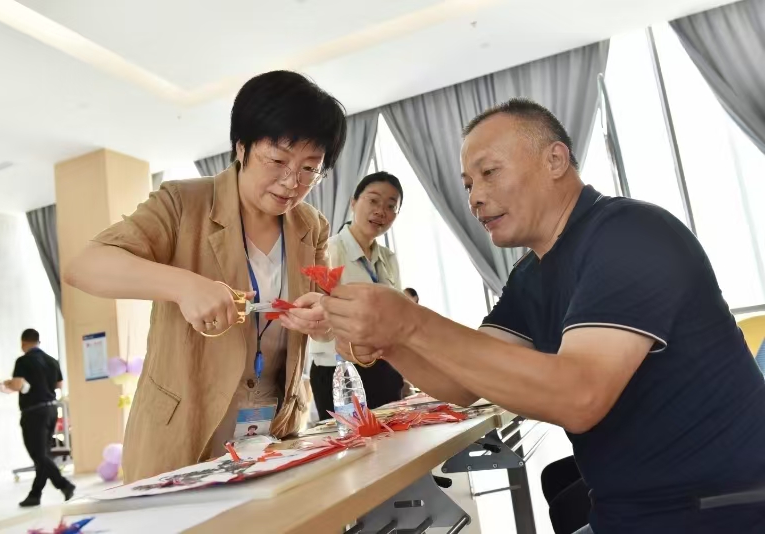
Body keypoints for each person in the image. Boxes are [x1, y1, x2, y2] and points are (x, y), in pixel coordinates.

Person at [319, 99, 765, 533]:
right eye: (468, 184)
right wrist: (389, 340)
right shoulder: (531, 274)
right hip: (629, 512)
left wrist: (411, 322)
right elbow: (462, 384)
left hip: (723, 509)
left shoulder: (630, 234)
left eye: (489, 172)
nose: (475, 198)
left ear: (555, 160)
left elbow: (580, 397)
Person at [64, 70, 345, 482]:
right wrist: (183, 285)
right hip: (182, 432)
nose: (292, 183)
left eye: (309, 169)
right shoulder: (183, 203)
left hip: (274, 432)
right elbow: (86, 266)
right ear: (242, 147)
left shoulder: (311, 225)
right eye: (278, 161)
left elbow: (324, 310)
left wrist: (323, 317)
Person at [308, 172, 406, 419]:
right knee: (351, 442)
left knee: (396, 439)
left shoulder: (388, 258)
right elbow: (315, 313)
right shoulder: (328, 252)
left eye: (391, 206)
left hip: (384, 366)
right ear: (353, 202)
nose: (381, 211)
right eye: (373, 200)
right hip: (339, 372)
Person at [0, 329, 75, 507]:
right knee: (44, 454)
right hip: (51, 410)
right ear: (38, 342)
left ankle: (64, 484)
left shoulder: (23, 361)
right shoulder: (52, 360)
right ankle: (35, 494)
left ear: (23, 343)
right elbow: (59, 385)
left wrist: (9, 384)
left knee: (38, 454)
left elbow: (17, 385)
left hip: (33, 412)